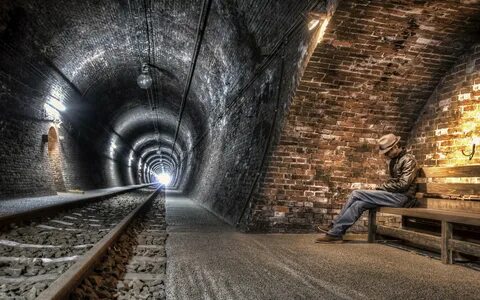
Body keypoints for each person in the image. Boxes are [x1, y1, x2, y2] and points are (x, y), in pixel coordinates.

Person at [315, 133, 418, 243]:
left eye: (388, 152)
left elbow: (403, 185)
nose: (386, 155)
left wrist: (383, 187)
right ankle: (335, 233)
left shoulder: (408, 160)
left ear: (395, 147)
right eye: (385, 153)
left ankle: (333, 225)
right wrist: (386, 186)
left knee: (356, 193)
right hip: (394, 196)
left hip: (403, 198)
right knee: (359, 204)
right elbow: (394, 182)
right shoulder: (394, 161)